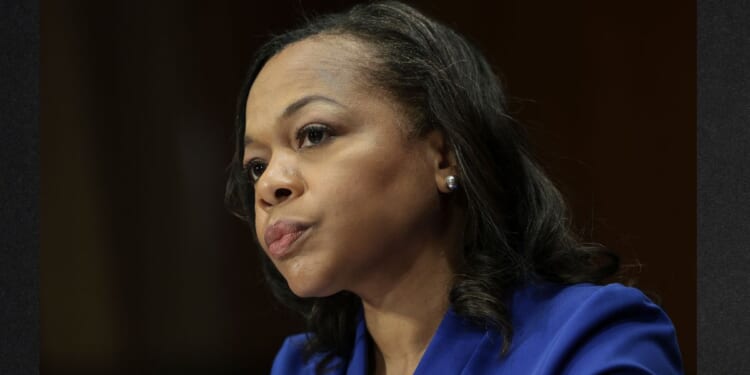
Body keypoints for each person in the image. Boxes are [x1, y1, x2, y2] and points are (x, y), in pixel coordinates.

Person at [225, 1, 684, 374]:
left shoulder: (591, 337)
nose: (269, 185)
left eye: (314, 134)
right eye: (256, 165)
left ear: (444, 155)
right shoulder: (305, 367)